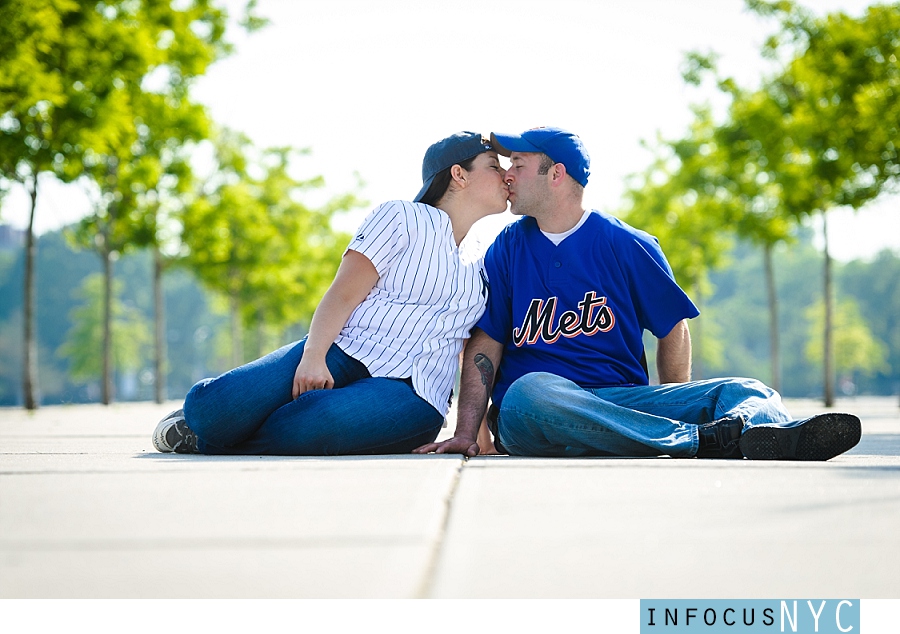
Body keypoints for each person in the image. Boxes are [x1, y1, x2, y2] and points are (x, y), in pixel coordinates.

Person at [415, 127, 861, 461]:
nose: (508, 174)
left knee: (748, 389)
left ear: (556, 174)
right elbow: (486, 344)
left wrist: (672, 400)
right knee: (532, 390)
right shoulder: (508, 248)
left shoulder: (627, 245)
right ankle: (698, 439)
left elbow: (673, 328)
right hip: (535, 413)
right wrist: (468, 430)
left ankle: (767, 435)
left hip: (621, 400)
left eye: (519, 164)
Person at [152, 131, 508, 455]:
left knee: (315, 422)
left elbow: (470, 348)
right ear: (459, 175)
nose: (505, 175)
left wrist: (476, 435)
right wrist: (314, 356)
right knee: (213, 409)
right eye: (494, 166)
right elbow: (342, 294)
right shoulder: (402, 217)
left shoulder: (484, 257)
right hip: (345, 350)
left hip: (414, 393)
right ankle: (212, 427)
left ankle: (214, 441)